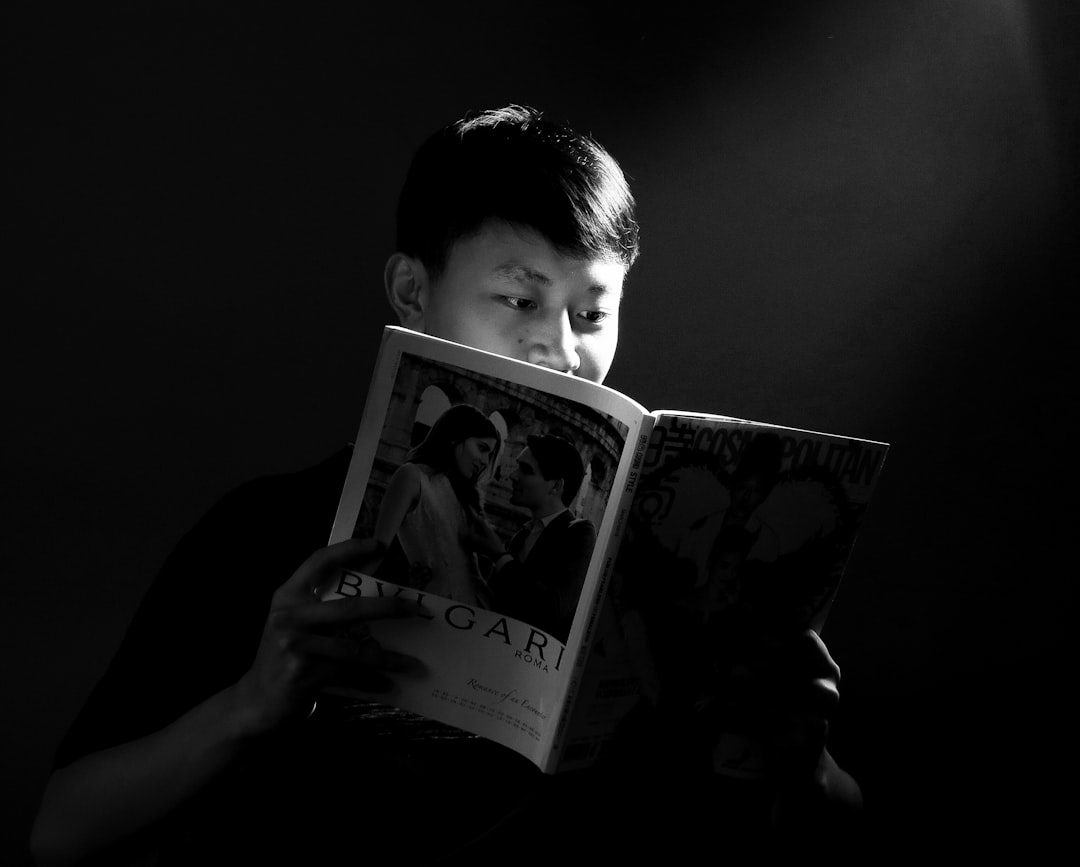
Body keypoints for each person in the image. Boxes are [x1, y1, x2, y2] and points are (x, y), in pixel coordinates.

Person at [30, 104, 861, 866]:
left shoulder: (649, 560)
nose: (561, 351)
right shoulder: (266, 529)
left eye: (592, 313)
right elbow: (59, 828)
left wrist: (807, 765)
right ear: (412, 292)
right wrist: (249, 704)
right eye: (517, 298)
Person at [364, 403, 500, 607]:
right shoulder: (411, 476)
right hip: (432, 611)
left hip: (472, 616)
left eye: (489, 455)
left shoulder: (465, 497)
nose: (485, 462)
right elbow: (377, 550)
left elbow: (474, 575)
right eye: (482, 448)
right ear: (456, 437)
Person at [481, 433, 597, 642]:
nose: (513, 475)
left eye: (526, 470)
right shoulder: (521, 535)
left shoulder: (579, 533)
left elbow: (553, 608)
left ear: (556, 486)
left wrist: (499, 555)